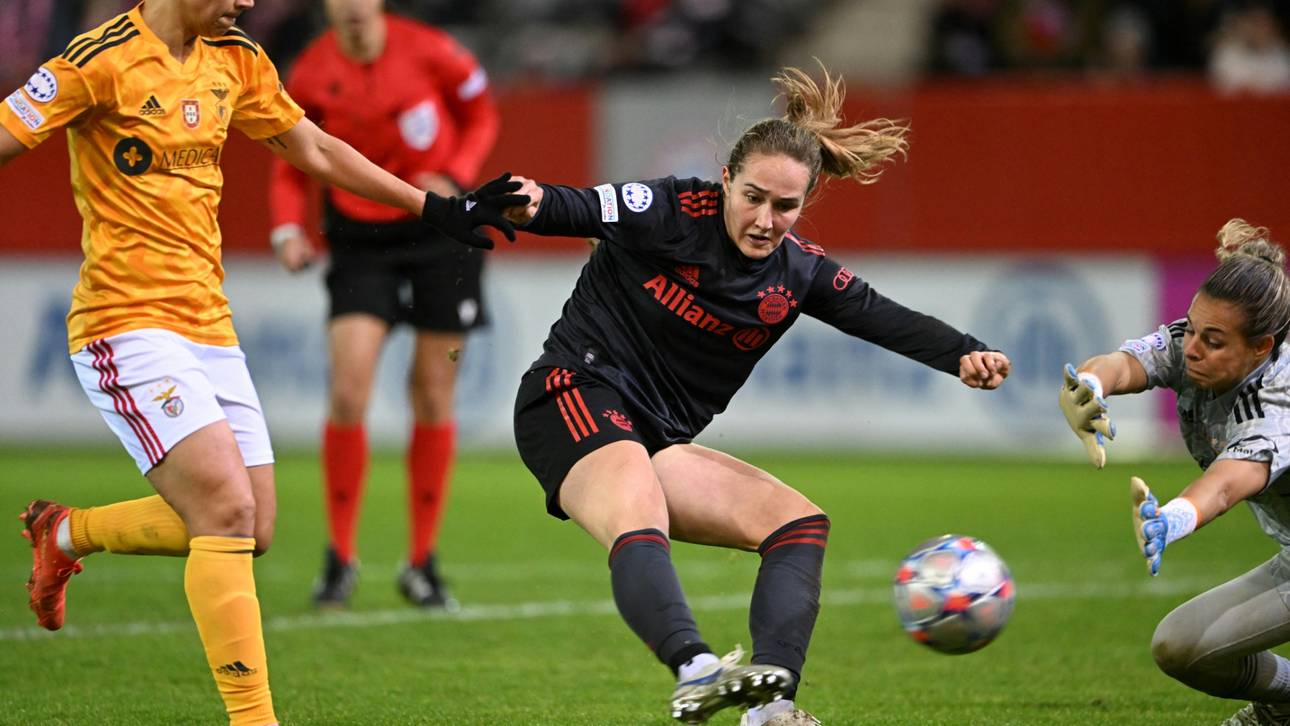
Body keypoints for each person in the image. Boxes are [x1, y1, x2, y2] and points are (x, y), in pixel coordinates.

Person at [0, 1, 523, 724]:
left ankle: (65, 532)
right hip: (125, 323)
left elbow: (315, 150)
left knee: (254, 527)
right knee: (226, 508)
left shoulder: (237, 57)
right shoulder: (98, 59)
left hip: (208, 324)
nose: (248, 1)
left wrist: (432, 208)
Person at [497, 65, 1011, 725]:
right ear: (726, 182)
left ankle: (772, 709)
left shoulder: (798, 272)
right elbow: (576, 206)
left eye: (785, 206)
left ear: (805, 206)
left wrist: (964, 351)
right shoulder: (674, 210)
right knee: (637, 513)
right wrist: (532, 201)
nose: (766, 219)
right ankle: (696, 670)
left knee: (798, 526)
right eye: (754, 197)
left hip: (655, 438)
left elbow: (883, 316)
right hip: (571, 392)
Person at [268, 0, 499, 611]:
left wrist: (456, 171)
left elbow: (481, 115)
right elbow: (291, 158)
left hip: (440, 232)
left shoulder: (433, 51)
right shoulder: (310, 73)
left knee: (432, 392)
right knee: (348, 391)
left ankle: (422, 562)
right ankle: (339, 558)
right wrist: (288, 228)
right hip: (360, 239)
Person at [1060, 219, 1290, 726]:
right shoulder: (1195, 344)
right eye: (1191, 327)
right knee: (1179, 646)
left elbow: (1229, 484)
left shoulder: (1278, 404)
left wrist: (1171, 519)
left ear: (1261, 347)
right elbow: (1123, 364)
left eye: (1213, 340)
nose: (1191, 349)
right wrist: (1090, 388)